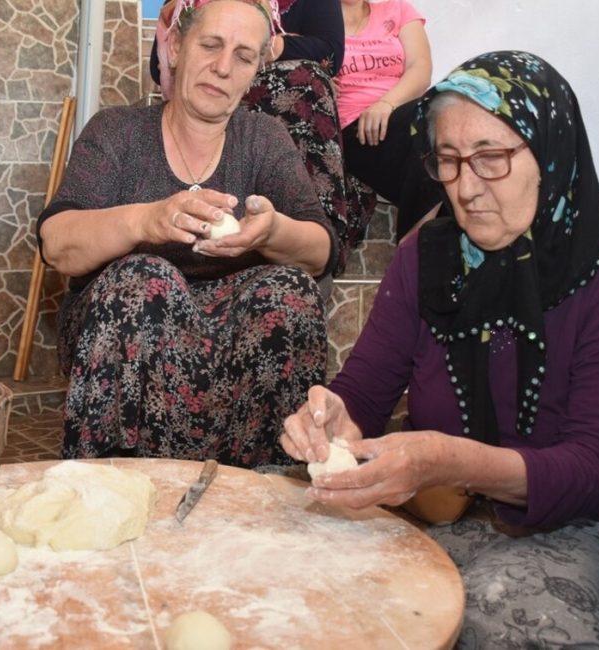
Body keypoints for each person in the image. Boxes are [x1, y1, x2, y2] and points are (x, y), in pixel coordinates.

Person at [282, 51, 599, 647]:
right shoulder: (425, 258)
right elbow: (363, 391)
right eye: (449, 161)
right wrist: (332, 418)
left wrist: (451, 460)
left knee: (511, 626)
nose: (465, 188)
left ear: (548, 153)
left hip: (575, 529)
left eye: (490, 158)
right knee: (290, 569)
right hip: (433, 512)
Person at [41, 0, 337, 468]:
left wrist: (272, 231)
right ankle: (120, 480)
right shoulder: (117, 132)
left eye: (242, 57)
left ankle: (263, 491)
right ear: (176, 47)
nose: (222, 68)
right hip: (130, 326)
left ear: (256, 71)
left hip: (233, 335)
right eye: (211, 45)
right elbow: (57, 244)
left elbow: (321, 252)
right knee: (145, 279)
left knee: (288, 290)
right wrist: (146, 221)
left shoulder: (264, 139)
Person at [151, 0, 372, 272]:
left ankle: (314, 233)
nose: (222, 65)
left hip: (283, 81)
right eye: (210, 44)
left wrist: (270, 47)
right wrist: (247, 49)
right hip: (237, 87)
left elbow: (329, 53)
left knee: (309, 80)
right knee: (305, 79)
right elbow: (158, 60)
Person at [336, 0, 439, 238]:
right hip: (355, 128)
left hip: (403, 112)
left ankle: (414, 249)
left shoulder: (398, 8)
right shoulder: (313, 16)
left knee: (442, 117)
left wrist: (386, 104)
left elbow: (420, 68)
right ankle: (415, 246)